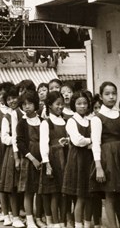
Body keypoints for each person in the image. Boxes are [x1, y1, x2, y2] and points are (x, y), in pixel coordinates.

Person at [90, 82, 120, 228]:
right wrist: (98, 166)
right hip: (107, 158)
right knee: (110, 195)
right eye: (107, 94)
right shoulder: (97, 118)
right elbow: (96, 143)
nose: (111, 97)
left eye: (114, 93)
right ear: (101, 96)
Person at [61, 91, 93, 228]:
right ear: (74, 105)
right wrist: (92, 140)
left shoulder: (89, 120)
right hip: (77, 160)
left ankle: (87, 223)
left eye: (85, 103)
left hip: (89, 160)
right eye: (79, 103)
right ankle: (78, 224)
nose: (82, 106)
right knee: (80, 195)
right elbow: (77, 140)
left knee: (90, 194)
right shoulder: (71, 121)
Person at [39, 91, 69, 228]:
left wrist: (67, 141)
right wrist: (47, 164)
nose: (60, 107)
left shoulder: (66, 121)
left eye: (62, 104)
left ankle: (62, 221)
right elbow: (44, 144)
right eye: (57, 104)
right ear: (50, 105)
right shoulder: (46, 123)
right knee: (54, 193)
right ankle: (55, 223)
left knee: (63, 193)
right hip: (53, 160)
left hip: (65, 160)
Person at [0, 86, 23, 227]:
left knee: (16, 186)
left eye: (14, 97)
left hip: (20, 150)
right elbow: (4, 137)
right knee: (8, 185)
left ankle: (15, 214)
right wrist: (15, 140)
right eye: (9, 99)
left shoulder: (21, 113)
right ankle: (8, 215)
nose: (12, 101)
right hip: (10, 152)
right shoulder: (7, 116)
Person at [16, 90, 42, 228]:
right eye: (24, 104)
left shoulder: (43, 121)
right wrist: (32, 159)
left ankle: (39, 217)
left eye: (30, 103)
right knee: (29, 191)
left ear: (35, 104)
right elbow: (20, 143)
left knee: (40, 191)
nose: (27, 107)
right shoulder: (22, 123)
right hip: (29, 160)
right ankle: (29, 218)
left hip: (42, 159)